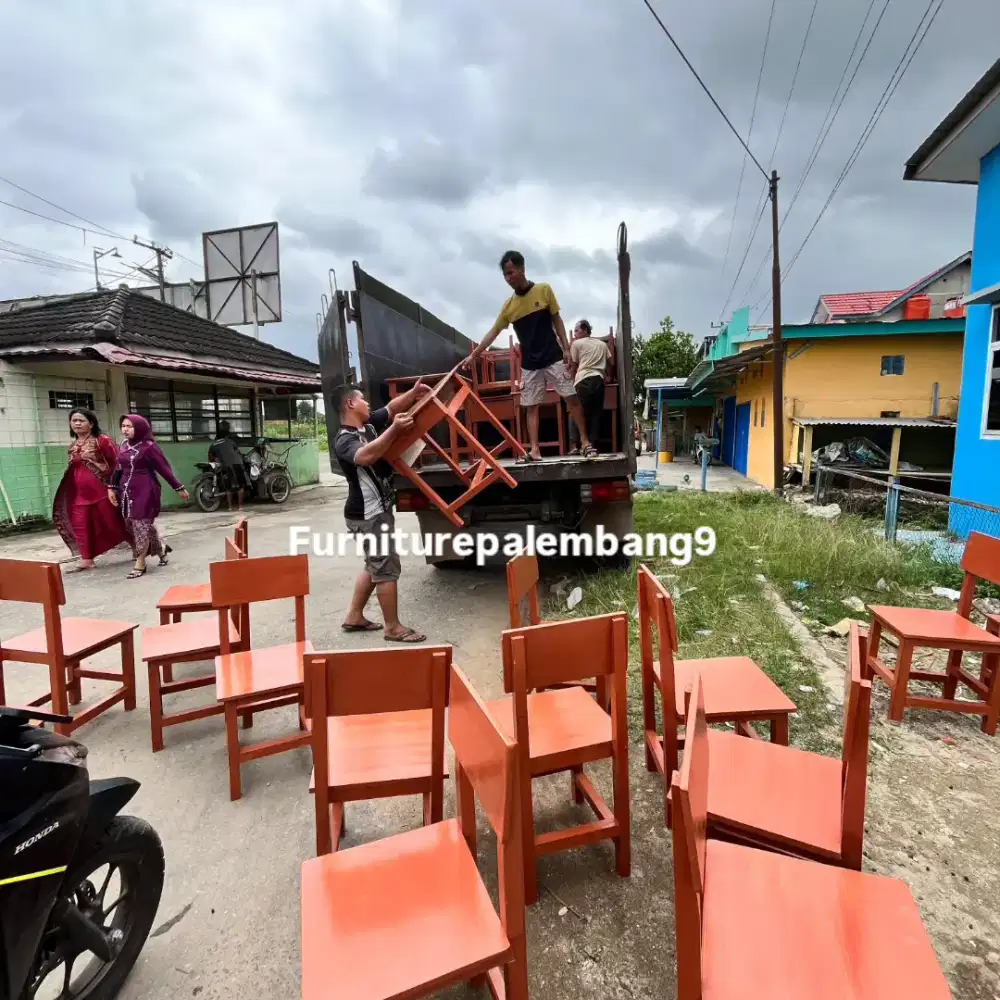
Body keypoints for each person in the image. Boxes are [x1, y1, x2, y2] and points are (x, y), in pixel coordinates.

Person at [467, 250, 595, 461]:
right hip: (530, 364)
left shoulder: (544, 291)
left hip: (553, 356)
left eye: (510, 273)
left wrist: (565, 347)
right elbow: (493, 332)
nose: (508, 279)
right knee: (530, 406)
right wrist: (474, 355)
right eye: (505, 275)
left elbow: (557, 320)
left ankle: (585, 442)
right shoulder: (509, 306)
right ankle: (534, 450)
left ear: (522, 269)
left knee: (571, 399)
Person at [333, 379, 431, 642]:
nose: (367, 403)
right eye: (362, 399)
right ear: (350, 403)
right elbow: (365, 456)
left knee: (374, 563)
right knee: (385, 566)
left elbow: (390, 409)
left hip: (375, 511)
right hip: (367, 515)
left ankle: (354, 616)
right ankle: (393, 628)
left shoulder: (367, 425)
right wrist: (394, 431)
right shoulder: (344, 440)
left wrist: (413, 393)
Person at [108, 414, 190, 579]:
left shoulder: (149, 447)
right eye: (123, 426)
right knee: (134, 524)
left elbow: (164, 469)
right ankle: (161, 548)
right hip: (126, 491)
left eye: (129, 426)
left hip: (145, 489)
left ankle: (140, 563)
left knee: (140, 525)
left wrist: (178, 487)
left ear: (139, 428)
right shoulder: (123, 445)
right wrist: (111, 487)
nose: (125, 429)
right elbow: (118, 468)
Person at [52, 408, 131, 570]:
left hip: (104, 492)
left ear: (91, 423)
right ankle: (87, 559)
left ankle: (141, 547)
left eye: (81, 420)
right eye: (74, 421)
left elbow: (117, 464)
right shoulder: (73, 446)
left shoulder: (102, 441)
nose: (77, 423)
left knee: (115, 523)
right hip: (80, 496)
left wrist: (113, 486)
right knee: (81, 525)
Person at [567, 319, 611, 455]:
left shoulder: (576, 344)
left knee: (576, 412)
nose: (575, 334)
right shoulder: (602, 344)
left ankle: (575, 445)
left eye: (577, 330)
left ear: (585, 331)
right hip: (598, 380)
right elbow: (611, 363)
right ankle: (593, 445)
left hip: (583, 380)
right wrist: (608, 376)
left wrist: (572, 381)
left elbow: (573, 365)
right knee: (595, 414)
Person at [209, 420, 248, 511]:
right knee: (241, 486)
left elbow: (211, 458)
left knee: (228, 487)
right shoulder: (230, 441)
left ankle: (230, 507)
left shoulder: (213, 445)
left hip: (225, 466)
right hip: (237, 464)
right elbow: (237, 452)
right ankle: (240, 506)